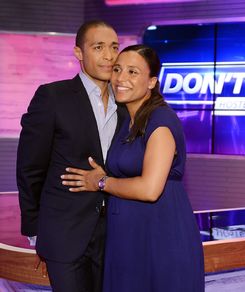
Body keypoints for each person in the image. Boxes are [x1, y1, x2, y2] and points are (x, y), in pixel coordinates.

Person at [61, 44, 205, 291]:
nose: (121, 78)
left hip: (161, 236)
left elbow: (150, 188)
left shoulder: (161, 122)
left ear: (151, 82)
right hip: (126, 236)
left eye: (133, 72)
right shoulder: (126, 120)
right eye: (117, 70)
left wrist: (101, 182)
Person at [17, 20, 126, 292]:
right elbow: (30, 167)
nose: (109, 56)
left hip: (116, 235)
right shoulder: (53, 97)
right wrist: (34, 229)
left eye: (114, 47)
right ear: (79, 52)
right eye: (98, 47)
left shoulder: (125, 103)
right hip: (64, 234)